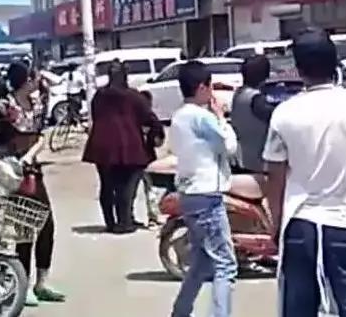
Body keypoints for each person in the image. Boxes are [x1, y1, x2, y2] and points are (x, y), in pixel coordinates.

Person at [263, 28, 346, 317]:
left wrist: (276, 222)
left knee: (299, 309)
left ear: (298, 69)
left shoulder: (284, 113)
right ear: (335, 63)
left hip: (299, 223)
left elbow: (275, 177)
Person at [169, 61, 238, 317]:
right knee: (225, 265)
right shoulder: (202, 117)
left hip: (190, 193)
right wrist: (220, 116)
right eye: (210, 87)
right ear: (201, 88)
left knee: (201, 261)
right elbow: (228, 146)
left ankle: (181, 311)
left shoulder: (179, 116)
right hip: (207, 194)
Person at [3, 62, 65, 306]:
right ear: (23, 81)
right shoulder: (7, 106)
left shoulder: (37, 103)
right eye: (31, 78)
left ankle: (42, 282)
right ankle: (24, 284)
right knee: (24, 228)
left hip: (33, 169)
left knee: (47, 225)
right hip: (13, 172)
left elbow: (40, 136)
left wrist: (31, 155)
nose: (35, 82)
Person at [83, 60, 152, 234]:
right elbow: (148, 117)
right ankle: (124, 221)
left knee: (107, 185)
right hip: (127, 145)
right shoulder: (133, 96)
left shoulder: (99, 96)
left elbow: (95, 114)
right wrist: (156, 133)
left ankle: (111, 222)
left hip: (101, 146)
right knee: (126, 185)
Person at [230, 55, 275, 174]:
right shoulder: (256, 99)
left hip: (241, 158)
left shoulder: (238, 94)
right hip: (257, 162)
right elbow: (274, 118)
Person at [137, 90, 166, 228]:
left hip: (131, 158)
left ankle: (126, 218)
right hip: (148, 158)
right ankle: (153, 217)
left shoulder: (130, 117)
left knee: (129, 190)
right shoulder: (152, 118)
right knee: (150, 189)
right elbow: (159, 141)